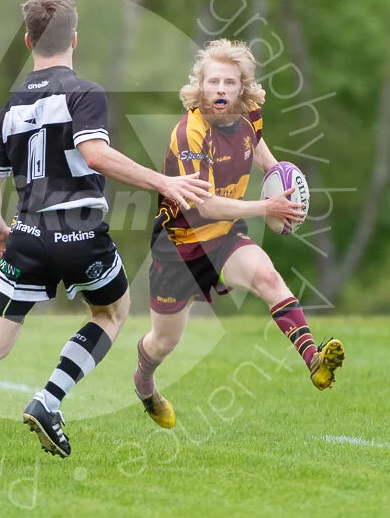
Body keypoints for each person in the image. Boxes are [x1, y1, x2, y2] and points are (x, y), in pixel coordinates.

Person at [0, 0, 212, 466]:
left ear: (27, 42)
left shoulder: (8, 109)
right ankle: (48, 400)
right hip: (83, 234)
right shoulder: (86, 93)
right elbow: (95, 154)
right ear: (75, 40)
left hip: (27, 236)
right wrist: (164, 181)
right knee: (110, 313)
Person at [134, 39, 346, 429]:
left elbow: (256, 144)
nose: (220, 89)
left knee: (268, 278)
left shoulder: (250, 115)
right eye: (213, 81)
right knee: (164, 342)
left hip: (226, 236)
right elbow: (205, 206)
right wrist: (267, 207)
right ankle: (144, 384)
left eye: (229, 83)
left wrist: (275, 173)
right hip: (179, 247)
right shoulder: (189, 134)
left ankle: (314, 360)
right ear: (200, 87)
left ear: (242, 89)